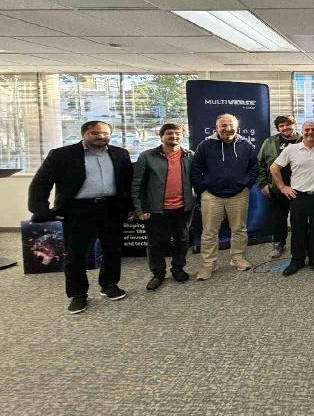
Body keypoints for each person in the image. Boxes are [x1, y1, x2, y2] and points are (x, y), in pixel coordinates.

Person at [28, 120, 133, 314]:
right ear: (84, 134)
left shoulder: (120, 153)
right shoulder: (62, 155)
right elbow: (41, 183)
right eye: (95, 133)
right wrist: (41, 209)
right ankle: (78, 294)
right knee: (76, 254)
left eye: (105, 133)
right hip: (78, 210)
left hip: (111, 207)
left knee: (112, 249)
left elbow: (127, 182)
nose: (101, 137)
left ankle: (109, 284)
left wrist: (130, 207)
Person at [190, 113, 258, 281]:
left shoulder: (246, 145)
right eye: (223, 126)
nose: (227, 129)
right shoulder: (205, 145)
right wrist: (203, 190)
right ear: (216, 128)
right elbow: (195, 169)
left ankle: (237, 258)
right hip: (211, 196)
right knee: (209, 232)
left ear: (237, 128)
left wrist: (246, 186)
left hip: (239, 195)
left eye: (231, 125)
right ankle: (209, 263)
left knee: (239, 229)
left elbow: (254, 168)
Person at [131, 123, 194, 291]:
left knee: (182, 240)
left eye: (177, 133)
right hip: (156, 209)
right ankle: (158, 273)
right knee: (156, 243)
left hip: (183, 208)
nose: (174, 136)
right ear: (161, 137)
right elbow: (137, 185)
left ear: (183, 136)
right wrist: (140, 209)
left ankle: (178, 268)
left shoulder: (190, 155)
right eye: (169, 133)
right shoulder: (147, 156)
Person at [271, 121, 314, 276]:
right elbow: (274, 168)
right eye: (307, 129)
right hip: (298, 197)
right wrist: (282, 187)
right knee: (298, 230)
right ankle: (297, 260)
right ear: (302, 131)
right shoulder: (292, 149)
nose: (310, 132)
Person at [257, 114, 300, 259]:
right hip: (276, 188)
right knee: (278, 218)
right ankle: (279, 243)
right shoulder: (269, 142)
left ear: (294, 125)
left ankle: (299, 246)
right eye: (281, 126)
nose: (285, 128)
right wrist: (263, 183)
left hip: (299, 188)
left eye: (288, 124)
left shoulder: (304, 140)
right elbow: (260, 164)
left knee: (298, 219)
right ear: (278, 128)